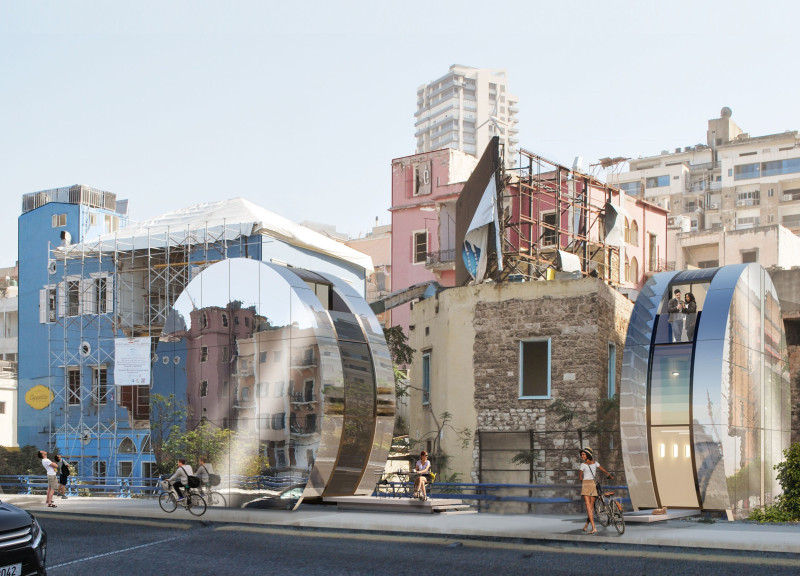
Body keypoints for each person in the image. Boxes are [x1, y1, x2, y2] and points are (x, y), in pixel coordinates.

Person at [579, 447, 613, 534]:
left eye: (583, 454)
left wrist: (584, 482)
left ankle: (593, 528)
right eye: (581, 455)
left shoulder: (583, 465)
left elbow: (580, 477)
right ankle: (586, 525)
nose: (582, 456)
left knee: (588, 508)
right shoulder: (595, 463)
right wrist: (609, 475)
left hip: (586, 484)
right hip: (593, 484)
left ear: (588, 454)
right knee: (590, 508)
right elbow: (604, 470)